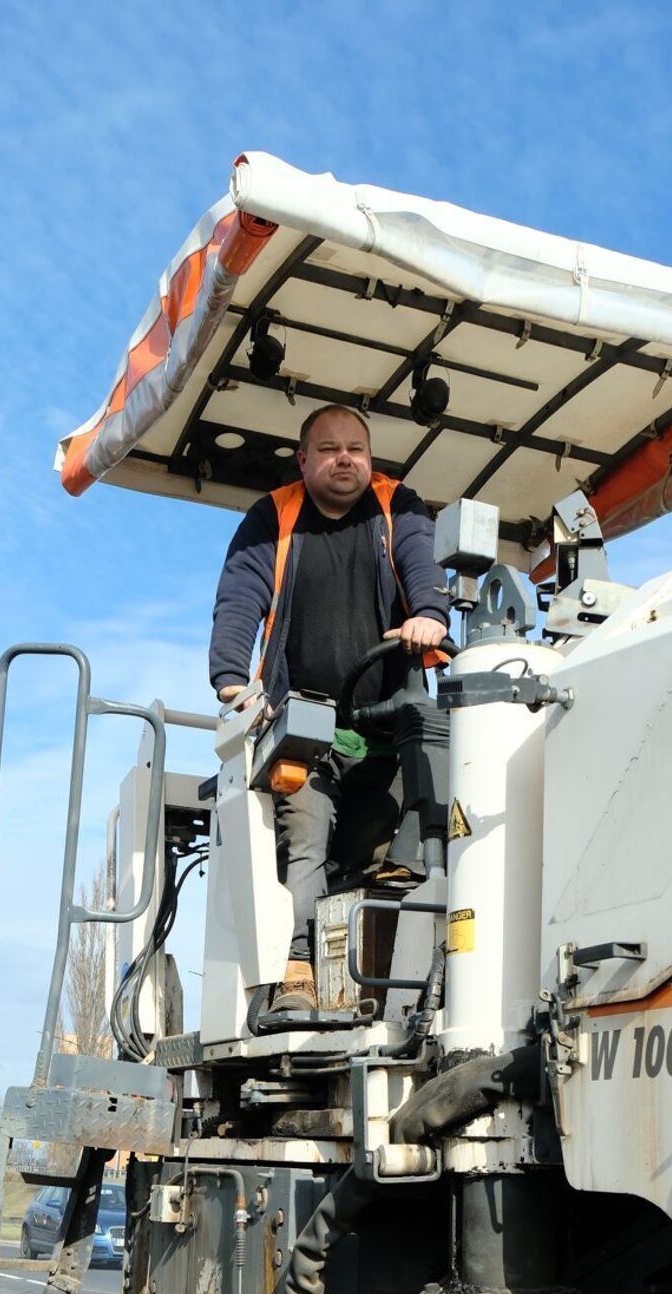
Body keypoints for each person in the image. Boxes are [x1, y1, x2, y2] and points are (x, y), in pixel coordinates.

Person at [209, 404, 449, 1011]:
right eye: (329, 449)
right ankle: (296, 972)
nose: (345, 459)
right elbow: (241, 595)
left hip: (384, 724)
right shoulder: (274, 515)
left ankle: (374, 983)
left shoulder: (400, 507)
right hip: (303, 722)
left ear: (370, 460)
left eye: (356, 450)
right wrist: (232, 677)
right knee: (307, 834)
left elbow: (421, 562)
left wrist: (429, 614)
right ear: (304, 459)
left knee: (388, 847)